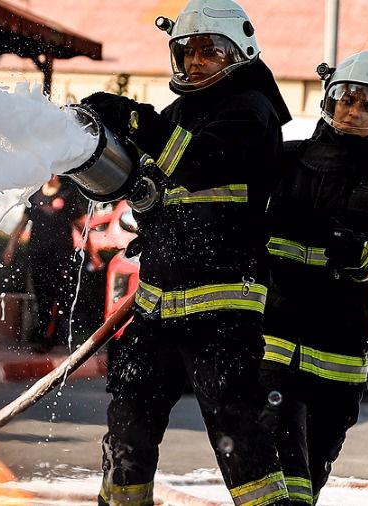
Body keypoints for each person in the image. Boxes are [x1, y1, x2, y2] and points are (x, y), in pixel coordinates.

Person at [77, 0, 292, 504]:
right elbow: (124, 181)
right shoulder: (176, 114)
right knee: (129, 421)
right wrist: (87, 148)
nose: (196, 62)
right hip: (158, 304)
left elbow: (198, 160)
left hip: (223, 306)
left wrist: (133, 117)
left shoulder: (251, 109)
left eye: (209, 52)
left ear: (241, 50)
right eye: (186, 52)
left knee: (237, 432)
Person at [260, 50, 368, 505]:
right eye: (345, 98)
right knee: (284, 472)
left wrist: (356, 248)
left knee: (309, 477)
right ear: (329, 100)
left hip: (339, 359)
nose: (353, 110)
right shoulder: (284, 161)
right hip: (274, 347)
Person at [3, 175, 87, 352]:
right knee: (40, 294)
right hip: (37, 253)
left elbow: (80, 224)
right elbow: (23, 223)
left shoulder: (68, 193)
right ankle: (44, 332)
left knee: (57, 294)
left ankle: (50, 336)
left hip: (60, 255)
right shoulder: (34, 195)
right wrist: (11, 246)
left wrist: (92, 251)